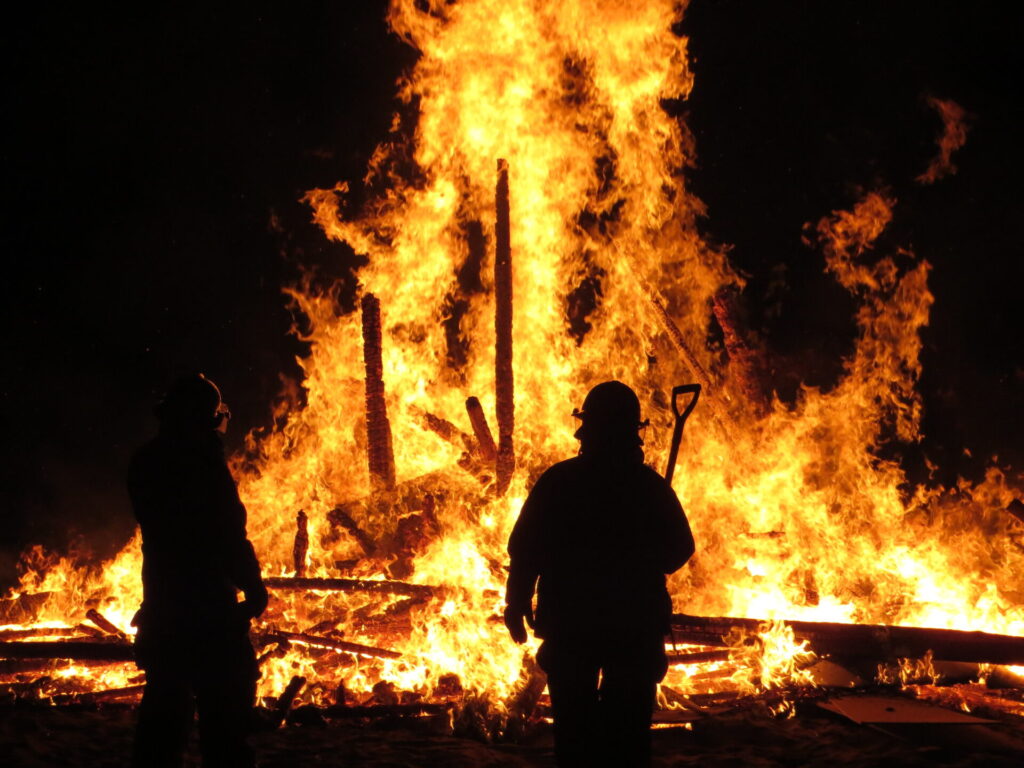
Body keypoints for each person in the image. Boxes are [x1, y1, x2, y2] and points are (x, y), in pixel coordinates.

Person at [504, 380, 695, 768]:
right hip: (634, 626)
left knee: (574, 735)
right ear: (633, 432)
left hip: (571, 623)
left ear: (585, 428)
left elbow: (525, 550)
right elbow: (680, 548)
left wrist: (517, 601)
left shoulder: (559, 482)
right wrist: (646, 562)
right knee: (627, 737)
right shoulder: (649, 488)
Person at [129, 374, 268, 768]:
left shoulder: (145, 462)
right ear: (207, 419)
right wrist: (253, 588)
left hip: (163, 606)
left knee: (162, 721)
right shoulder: (203, 466)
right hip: (208, 611)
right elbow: (225, 536)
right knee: (225, 726)